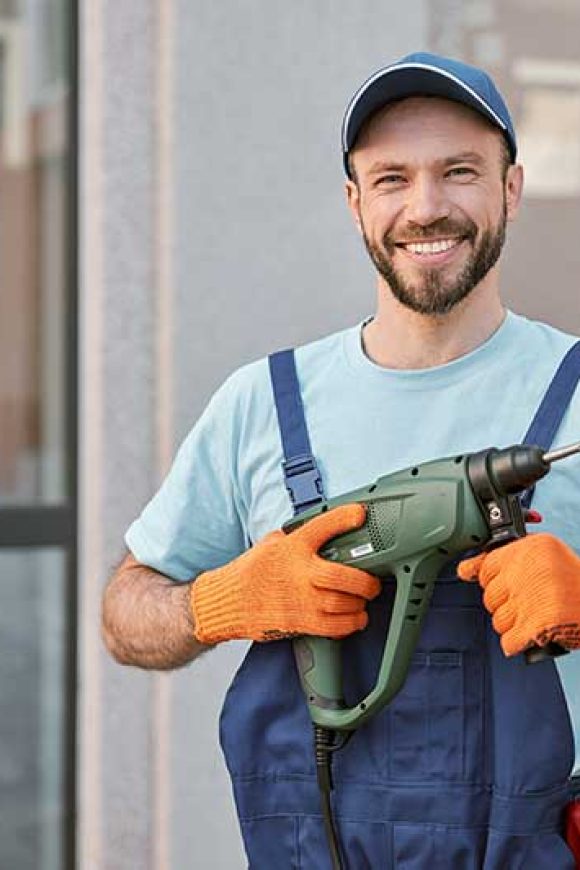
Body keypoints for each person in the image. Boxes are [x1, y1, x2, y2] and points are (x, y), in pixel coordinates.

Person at [102, 52, 580, 868]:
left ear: (510, 187)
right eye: (391, 178)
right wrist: (223, 602)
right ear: (356, 202)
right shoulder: (263, 403)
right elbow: (126, 612)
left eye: (459, 171)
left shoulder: (572, 395)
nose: (426, 208)